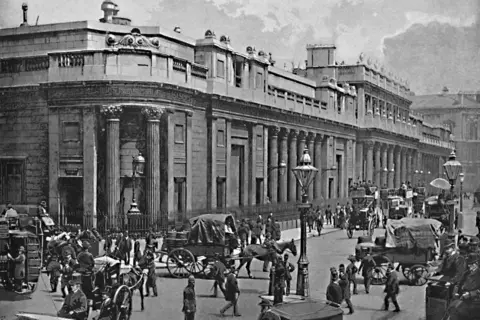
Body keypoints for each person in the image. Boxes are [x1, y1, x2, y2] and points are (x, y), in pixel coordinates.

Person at [447, 253, 480, 320]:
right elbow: (459, 283)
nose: (469, 266)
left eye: (471, 264)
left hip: (476, 302)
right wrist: (456, 291)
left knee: (457, 310)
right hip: (464, 298)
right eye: (468, 264)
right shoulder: (467, 273)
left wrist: (470, 294)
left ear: (476, 263)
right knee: (452, 308)